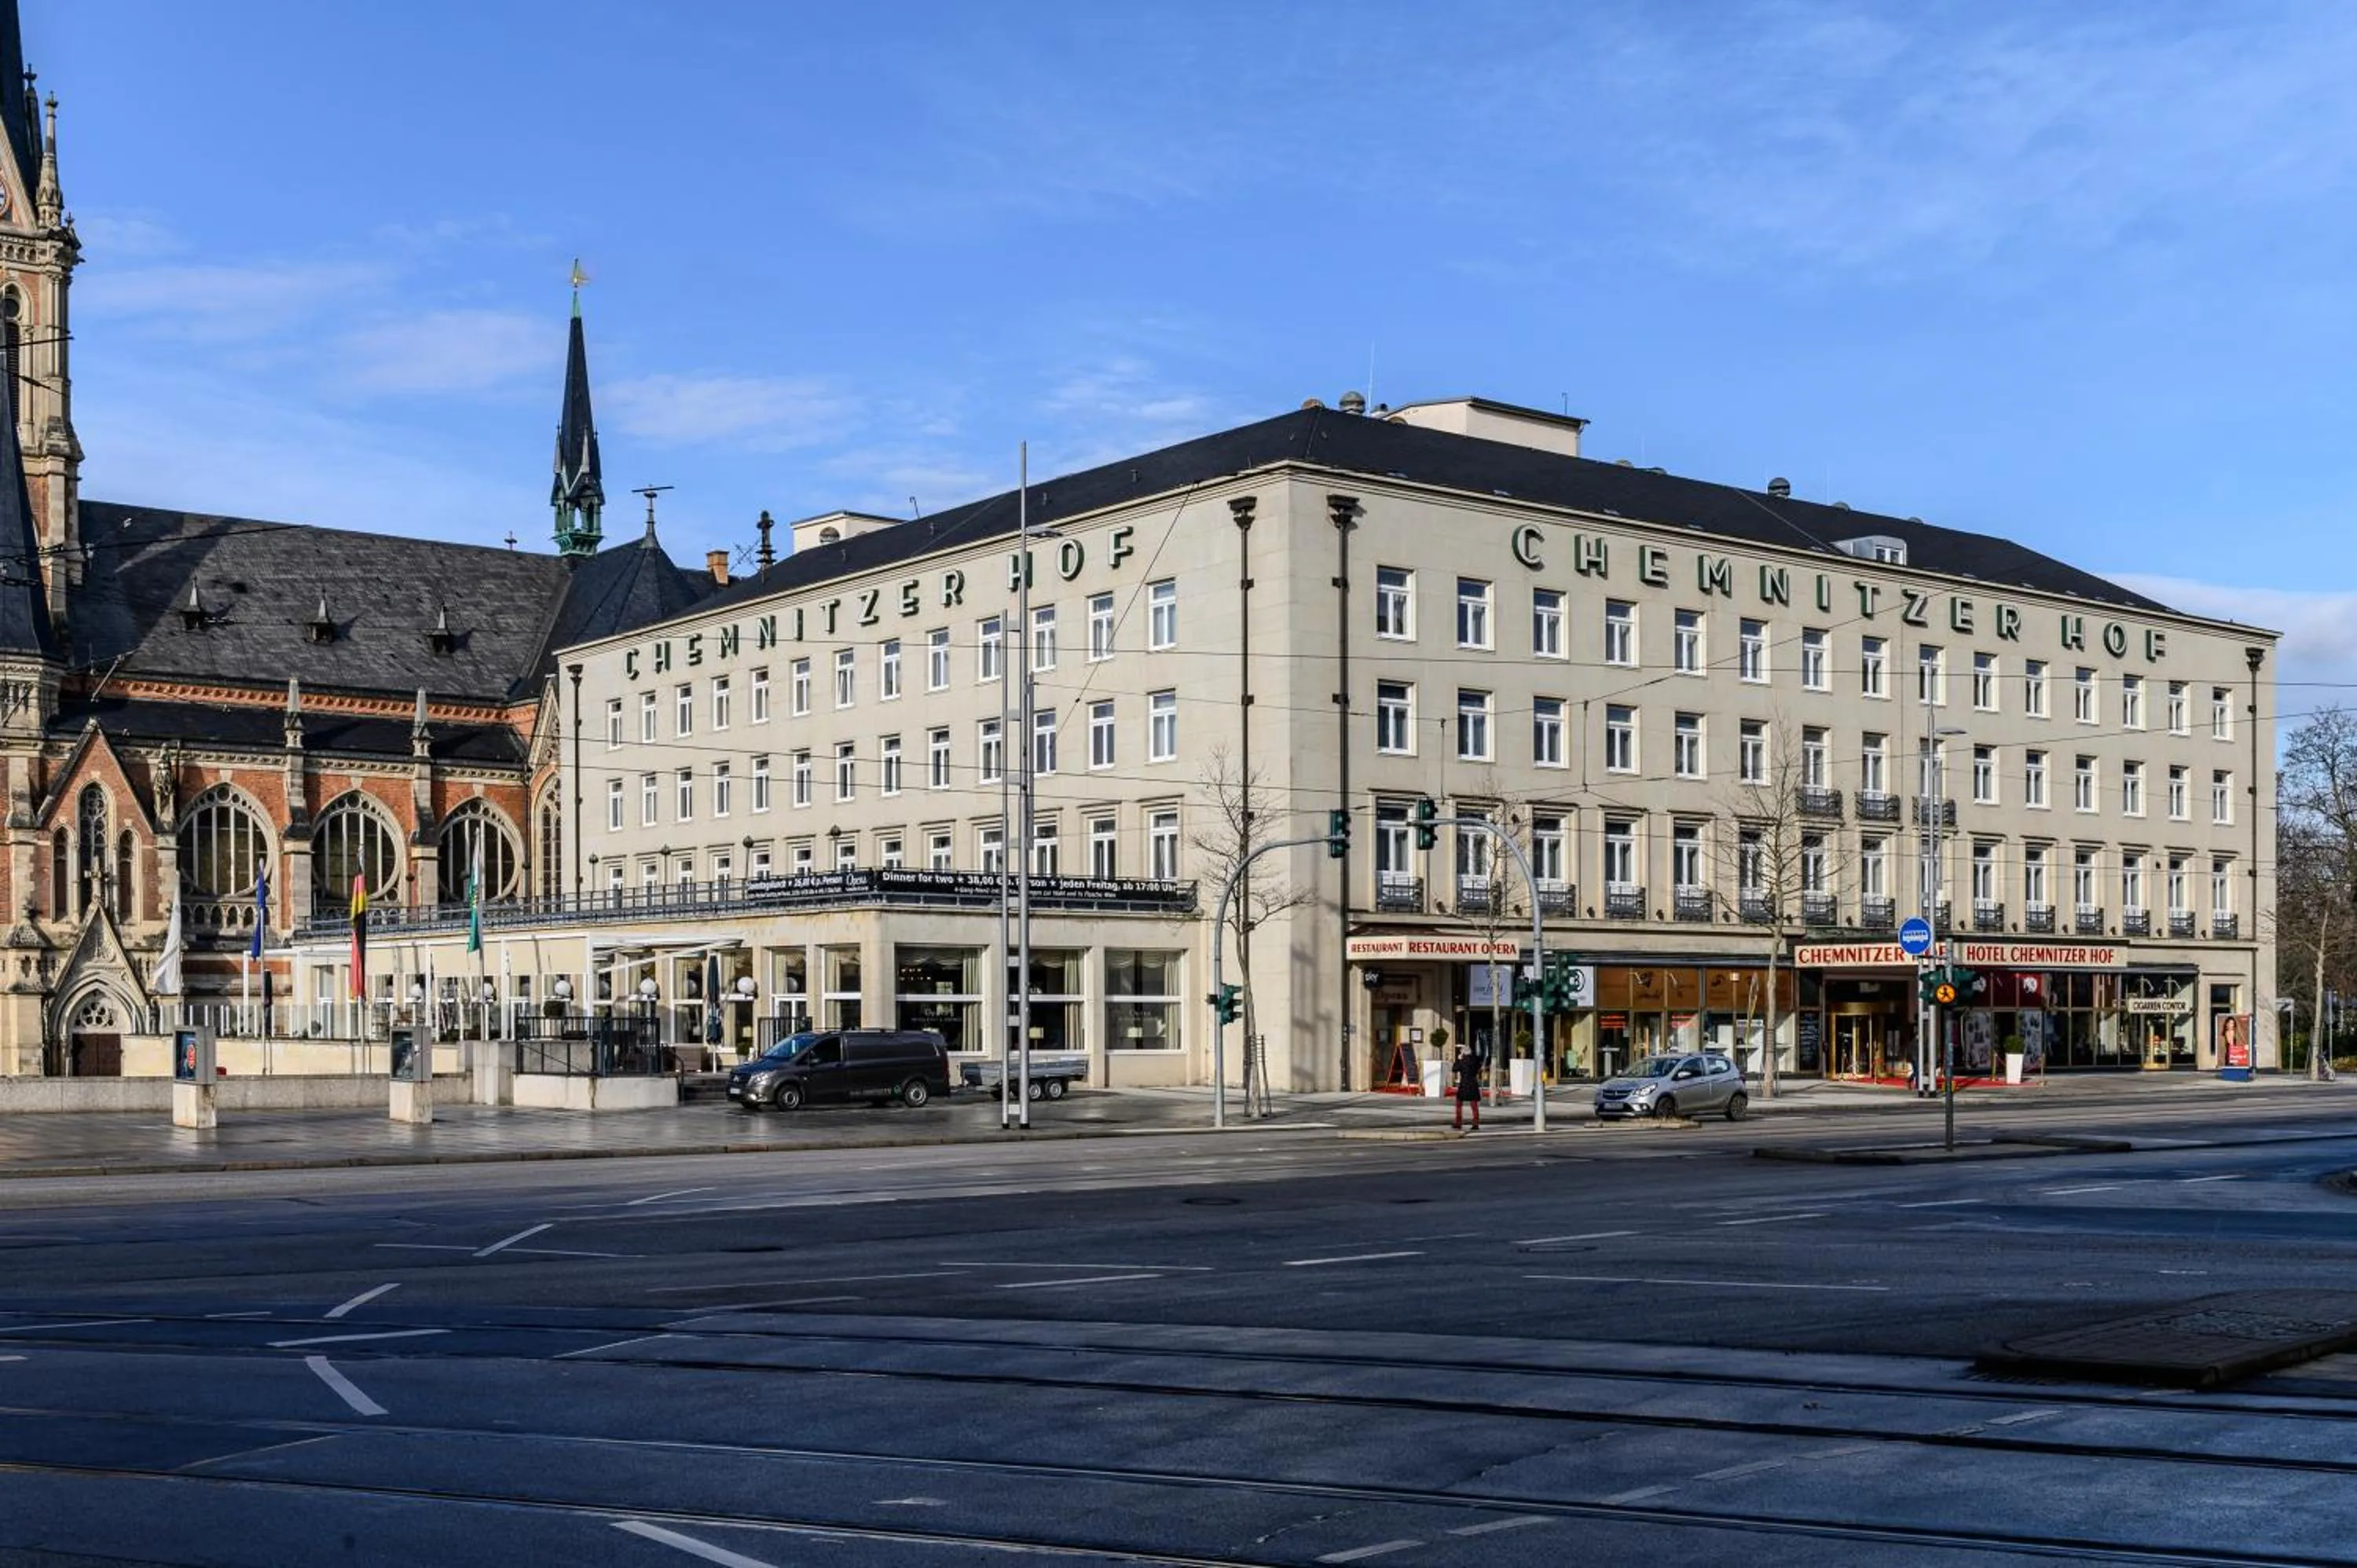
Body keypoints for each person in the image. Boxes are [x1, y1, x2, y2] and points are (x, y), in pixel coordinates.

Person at [1451, 1045, 1483, 1131]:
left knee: (1459, 1104)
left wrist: (1459, 1059)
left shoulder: (1462, 1061)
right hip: (1473, 1084)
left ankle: (1458, 1123)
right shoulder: (1475, 1060)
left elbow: (1454, 1069)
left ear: (1463, 1053)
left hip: (1464, 1084)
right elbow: (1479, 1068)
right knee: (1474, 1105)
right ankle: (1475, 1124)